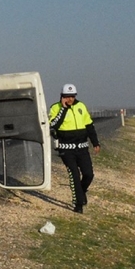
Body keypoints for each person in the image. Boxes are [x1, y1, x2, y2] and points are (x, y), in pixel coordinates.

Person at [49, 83, 100, 214]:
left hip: (82, 148)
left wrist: (95, 143)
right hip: (66, 149)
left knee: (89, 174)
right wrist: (63, 109)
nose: (70, 99)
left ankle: (81, 192)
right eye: (67, 96)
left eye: (72, 96)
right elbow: (53, 125)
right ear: (62, 96)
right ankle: (78, 203)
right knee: (74, 175)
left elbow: (89, 126)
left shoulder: (81, 106)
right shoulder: (55, 108)